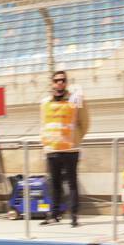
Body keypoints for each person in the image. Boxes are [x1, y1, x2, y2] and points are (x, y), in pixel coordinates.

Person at [40, 69, 90, 227]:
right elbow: (44, 125)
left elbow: (85, 122)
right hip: (52, 149)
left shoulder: (75, 99)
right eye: (56, 80)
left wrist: (76, 139)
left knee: (72, 183)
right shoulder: (45, 102)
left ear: (66, 82)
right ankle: (54, 214)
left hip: (70, 150)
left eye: (62, 80)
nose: (59, 82)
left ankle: (74, 215)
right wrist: (45, 144)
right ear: (52, 83)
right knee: (54, 183)